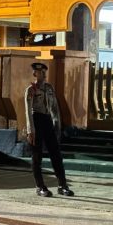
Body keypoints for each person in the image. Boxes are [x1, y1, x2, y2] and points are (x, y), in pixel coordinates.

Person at [24, 62, 74, 198]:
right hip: (36, 121)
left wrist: (57, 125)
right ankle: (40, 186)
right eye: (40, 72)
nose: (44, 74)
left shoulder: (49, 88)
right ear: (35, 74)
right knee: (36, 156)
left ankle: (62, 185)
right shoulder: (31, 90)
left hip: (47, 121)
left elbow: (55, 108)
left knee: (56, 154)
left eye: (45, 72)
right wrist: (30, 130)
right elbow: (28, 111)